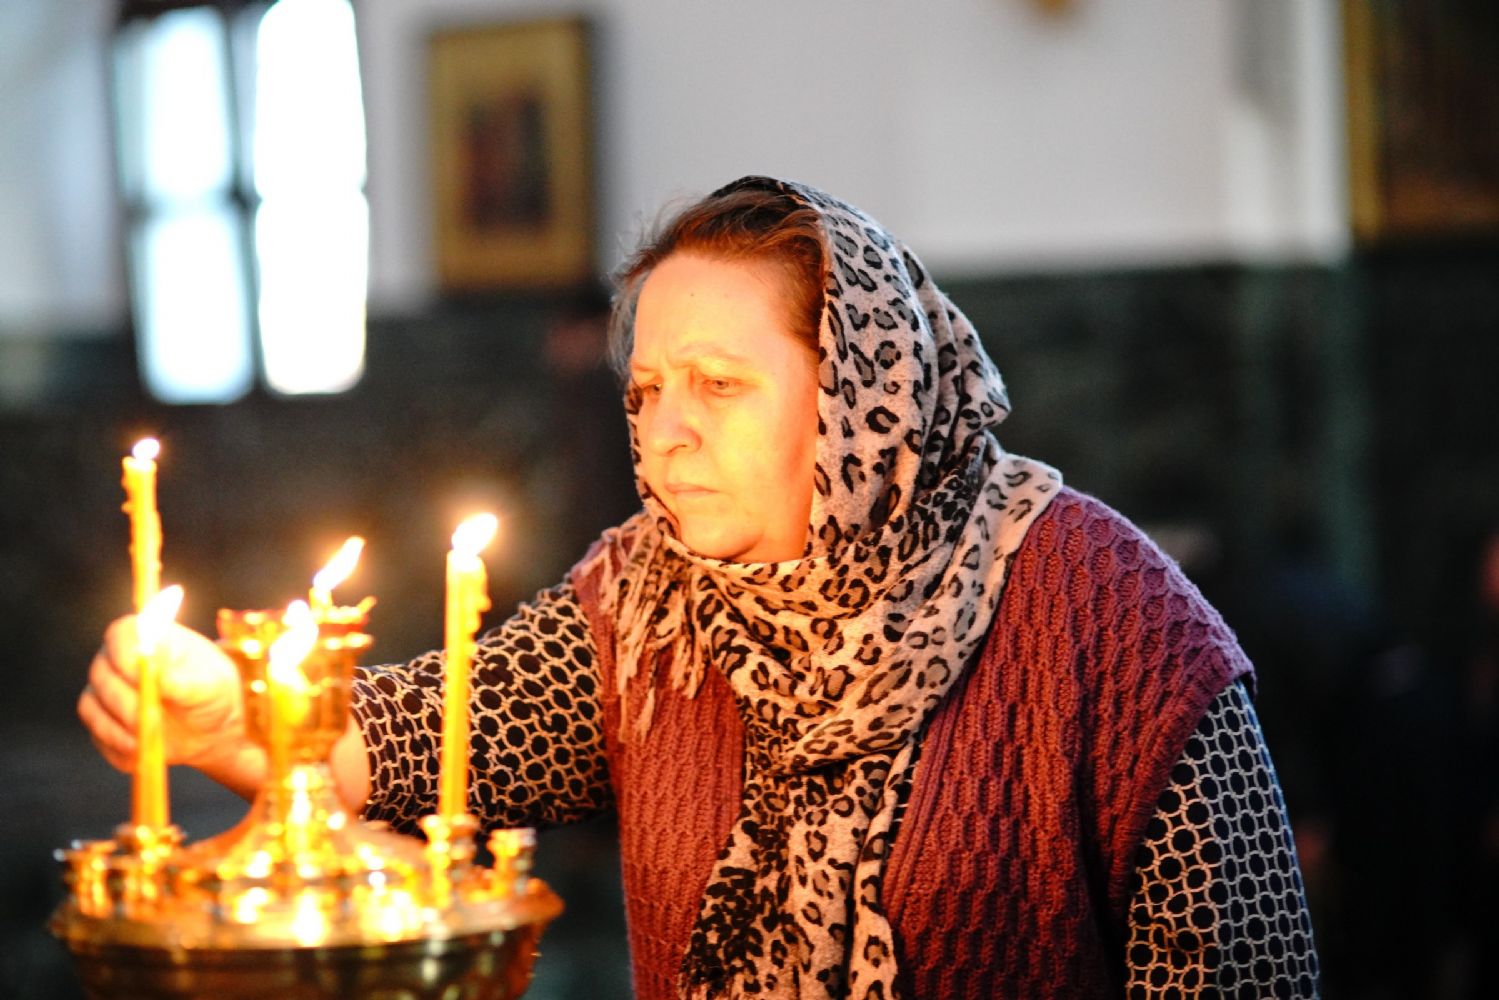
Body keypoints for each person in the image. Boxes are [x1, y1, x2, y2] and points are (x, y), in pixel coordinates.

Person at [80, 176, 1319, 999]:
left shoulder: (1100, 611)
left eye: (718, 385)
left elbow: (1244, 974)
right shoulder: (646, 599)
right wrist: (237, 719)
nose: (663, 432)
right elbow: (428, 739)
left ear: (859, 398)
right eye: (644, 391)